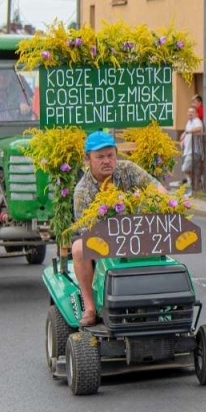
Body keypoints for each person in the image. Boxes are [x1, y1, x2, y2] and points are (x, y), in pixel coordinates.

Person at [69, 131, 165, 327]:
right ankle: (90, 308)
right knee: (79, 248)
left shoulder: (128, 169)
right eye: (100, 157)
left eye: (110, 155)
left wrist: (166, 202)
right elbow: (88, 230)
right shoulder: (82, 190)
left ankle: (160, 297)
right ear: (88, 160)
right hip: (102, 238)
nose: (107, 161)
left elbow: (158, 189)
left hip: (136, 232)